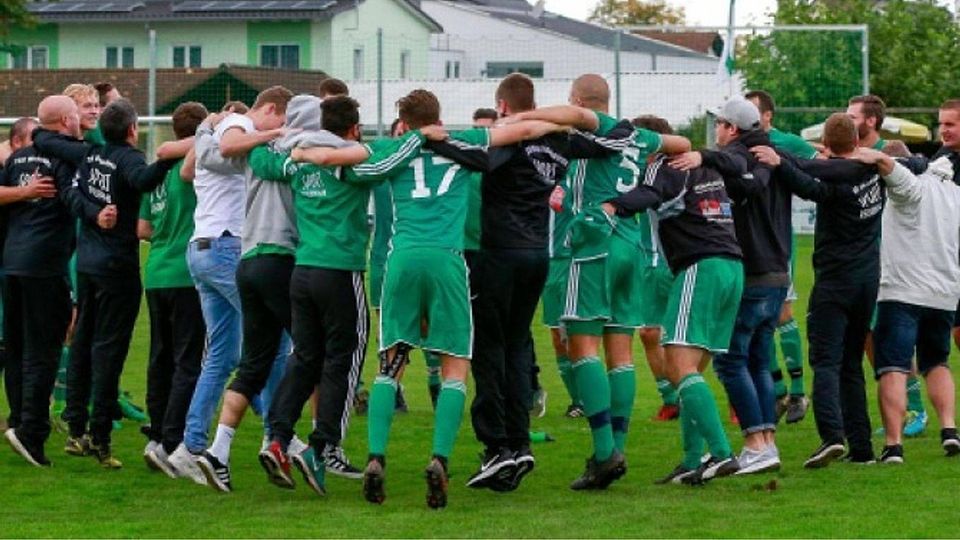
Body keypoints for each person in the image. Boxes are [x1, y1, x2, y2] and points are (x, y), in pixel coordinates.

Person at [294, 88, 569, 508]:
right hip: (447, 260)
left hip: (402, 259)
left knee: (393, 361)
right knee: (456, 365)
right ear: (439, 117)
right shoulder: (464, 142)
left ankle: (375, 457)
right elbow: (526, 128)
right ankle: (439, 459)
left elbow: (338, 156)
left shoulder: (392, 147)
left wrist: (302, 153)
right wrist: (564, 121)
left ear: (403, 122)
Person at [246, 95, 431, 497]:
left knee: (305, 357)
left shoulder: (298, 160)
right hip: (340, 271)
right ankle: (322, 447)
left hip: (302, 270)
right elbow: (389, 162)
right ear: (353, 128)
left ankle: (277, 437)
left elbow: (261, 162)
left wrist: (274, 135)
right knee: (343, 360)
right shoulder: (350, 162)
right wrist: (421, 136)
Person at [514, 74, 688, 490]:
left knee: (583, 346)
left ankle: (605, 451)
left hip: (596, 244)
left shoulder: (600, 128)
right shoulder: (641, 138)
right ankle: (617, 448)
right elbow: (680, 144)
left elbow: (574, 115)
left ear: (578, 100)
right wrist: (686, 154)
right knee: (620, 351)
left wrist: (525, 115)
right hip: (632, 250)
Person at [33, 98, 178, 468]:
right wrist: (168, 157)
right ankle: (100, 437)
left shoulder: (90, 153)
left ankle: (77, 428)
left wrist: (38, 129)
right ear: (133, 130)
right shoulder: (127, 159)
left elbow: (43, 139)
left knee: (83, 342)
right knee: (109, 348)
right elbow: (144, 180)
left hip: (89, 263)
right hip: (117, 267)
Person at [167, 87, 291, 484]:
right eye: (281, 121)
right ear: (269, 110)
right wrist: (266, 135)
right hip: (226, 246)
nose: (282, 130)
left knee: (221, 355)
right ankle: (277, 438)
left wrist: (206, 127)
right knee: (275, 342)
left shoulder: (223, 127)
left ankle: (191, 446)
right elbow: (229, 144)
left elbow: (190, 170)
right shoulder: (240, 124)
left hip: (202, 249)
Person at [604, 147, 744, 486]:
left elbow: (648, 192)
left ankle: (723, 454)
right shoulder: (707, 170)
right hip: (732, 268)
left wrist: (610, 206)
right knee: (691, 372)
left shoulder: (661, 165)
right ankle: (691, 461)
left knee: (678, 367)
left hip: (702, 266)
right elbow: (740, 164)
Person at [751, 113, 881, 468]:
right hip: (867, 282)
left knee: (825, 361)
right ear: (857, 140)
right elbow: (816, 178)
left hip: (835, 283)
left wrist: (778, 161)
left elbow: (806, 183)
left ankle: (831, 437)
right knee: (851, 364)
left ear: (826, 142)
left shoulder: (837, 176)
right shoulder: (873, 169)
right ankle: (863, 448)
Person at [671, 97, 788, 475]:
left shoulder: (737, 156)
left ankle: (754, 442)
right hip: (777, 270)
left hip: (750, 270)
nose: (716, 129)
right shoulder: (770, 153)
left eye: (719, 123)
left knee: (730, 360)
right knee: (758, 359)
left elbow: (745, 180)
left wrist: (704, 158)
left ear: (732, 128)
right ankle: (766, 443)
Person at [1, 101, 105, 467]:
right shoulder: (68, 160)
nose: (83, 121)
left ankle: (18, 421)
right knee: (43, 351)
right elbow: (79, 189)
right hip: (44, 266)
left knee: (16, 347)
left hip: (12, 264)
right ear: (66, 121)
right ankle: (31, 432)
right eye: (78, 115)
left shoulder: (17, 159)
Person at [846, 147, 960, 463]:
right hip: (945, 292)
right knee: (937, 362)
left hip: (903, 291)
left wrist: (861, 157)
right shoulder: (954, 192)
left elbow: (882, 162)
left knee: (892, 367)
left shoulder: (908, 185)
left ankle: (894, 444)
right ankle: (949, 430)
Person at [848, 94, 929, 438]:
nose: (846, 120)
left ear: (870, 121)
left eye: (852, 116)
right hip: (861, 256)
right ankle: (900, 405)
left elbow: (916, 176)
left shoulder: (889, 151)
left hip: (892, 256)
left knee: (892, 334)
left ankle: (916, 409)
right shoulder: (852, 155)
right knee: (869, 334)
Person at [138, 102, 209, 477]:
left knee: (160, 357)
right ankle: (171, 441)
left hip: (156, 273)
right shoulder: (192, 170)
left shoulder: (159, 173)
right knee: (188, 359)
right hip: (186, 274)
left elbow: (143, 229)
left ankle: (156, 434)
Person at [745, 90, 816, 423]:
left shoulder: (786, 143)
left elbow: (821, 158)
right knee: (755, 321)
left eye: (754, 112)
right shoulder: (737, 144)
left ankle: (799, 392)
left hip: (777, 243)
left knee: (782, 315)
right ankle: (776, 392)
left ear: (769, 115)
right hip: (745, 245)